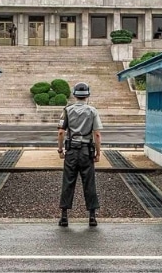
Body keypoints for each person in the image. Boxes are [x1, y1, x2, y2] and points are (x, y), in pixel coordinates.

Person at [57, 82, 102, 227]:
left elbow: (60, 132)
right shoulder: (92, 111)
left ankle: (64, 216)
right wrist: (98, 153)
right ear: (87, 95)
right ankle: (92, 217)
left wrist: (60, 150)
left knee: (68, 182)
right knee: (89, 182)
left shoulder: (67, 110)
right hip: (86, 151)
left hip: (71, 150)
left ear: (74, 94)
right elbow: (97, 134)